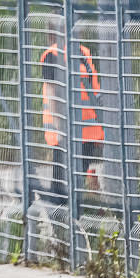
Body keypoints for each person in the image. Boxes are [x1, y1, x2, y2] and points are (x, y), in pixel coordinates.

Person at [39, 27, 103, 205]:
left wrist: (102, 128)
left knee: (73, 185)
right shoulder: (53, 55)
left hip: (87, 134)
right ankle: (58, 214)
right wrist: (61, 131)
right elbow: (52, 94)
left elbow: (94, 91)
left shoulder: (83, 53)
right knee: (63, 188)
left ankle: (65, 214)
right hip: (66, 133)